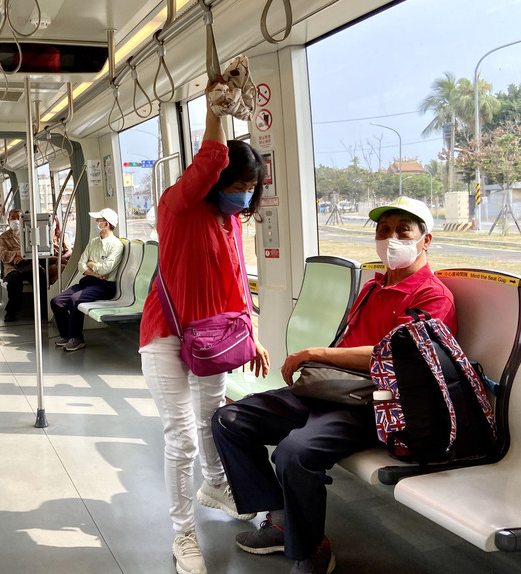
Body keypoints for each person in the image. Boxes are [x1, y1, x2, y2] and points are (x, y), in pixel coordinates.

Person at [212, 196, 456, 574]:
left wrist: (317, 354)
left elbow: (395, 356)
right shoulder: (372, 288)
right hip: (333, 390)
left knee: (294, 453)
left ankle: (310, 547)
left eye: (403, 231)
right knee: (229, 420)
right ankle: (279, 520)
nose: (391, 239)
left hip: (377, 403)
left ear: (425, 240)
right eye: (383, 230)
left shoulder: (432, 297)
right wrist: (322, 364)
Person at [138, 79, 270, 574]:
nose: (242, 197)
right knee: (181, 436)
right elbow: (211, 159)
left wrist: (251, 333)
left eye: (249, 189)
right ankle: (183, 534)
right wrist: (215, 111)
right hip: (166, 335)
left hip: (214, 336)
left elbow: (238, 284)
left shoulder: (229, 223)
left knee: (212, 418)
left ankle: (216, 482)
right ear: (214, 182)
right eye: (235, 187)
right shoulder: (179, 207)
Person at [50, 207, 123, 351]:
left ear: (106, 223)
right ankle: (66, 335)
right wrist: (95, 272)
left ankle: (76, 338)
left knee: (75, 300)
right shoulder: (94, 242)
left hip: (105, 286)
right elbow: (81, 264)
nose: (96, 223)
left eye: (99, 221)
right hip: (89, 281)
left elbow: (107, 269)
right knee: (56, 301)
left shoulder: (116, 245)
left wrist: (91, 265)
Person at [0, 209, 47, 322]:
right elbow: (3, 254)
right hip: (11, 265)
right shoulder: (3, 237)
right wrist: (17, 254)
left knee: (41, 277)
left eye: (18, 218)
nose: (15, 220)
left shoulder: (29, 234)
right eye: (13, 218)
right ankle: (11, 312)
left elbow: (36, 250)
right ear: (8, 220)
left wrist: (23, 256)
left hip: (29, 264)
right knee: (14, 280)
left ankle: (43, 309)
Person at [48, 217, 72, 285]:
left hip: (63, 259)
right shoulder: (43, 238)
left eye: (53, 222)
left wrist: (63, 257)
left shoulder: (62, 236)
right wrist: (58, 259)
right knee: (62, 268)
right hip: (51, 263)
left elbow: (69, 250)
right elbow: (43, 255)